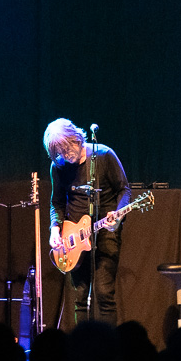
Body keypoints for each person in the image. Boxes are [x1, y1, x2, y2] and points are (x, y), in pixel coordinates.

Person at [43, 118, 131, 326]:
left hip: (106, 230)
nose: (64, 157)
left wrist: (118, 217)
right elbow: (56, 203)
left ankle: (108, 344)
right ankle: (81, 344)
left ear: (76, 138)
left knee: (104, 294)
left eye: (66, 150)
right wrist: (55, 229)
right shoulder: (58, 166)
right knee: (80, 298)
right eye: (59, 154)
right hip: (74, 237)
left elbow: (124, 190)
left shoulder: (104, 155)